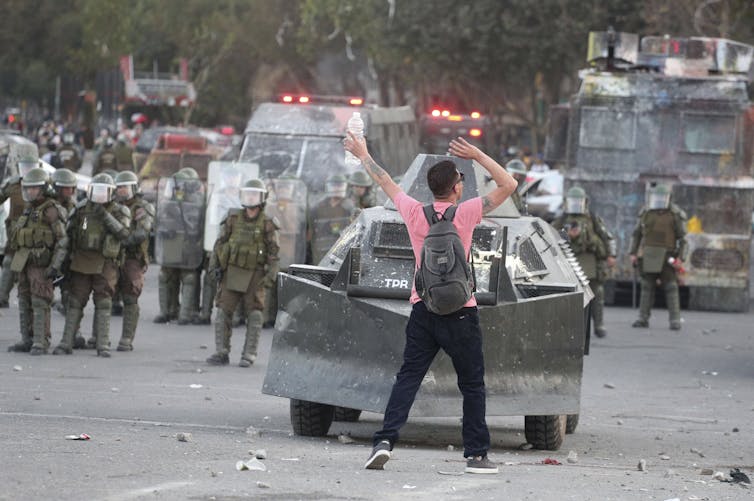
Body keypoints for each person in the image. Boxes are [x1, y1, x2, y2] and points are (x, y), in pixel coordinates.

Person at [344, 133, 517, 474]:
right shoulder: (466, 213)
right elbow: (509, 183)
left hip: (423, 307)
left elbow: (385, 180)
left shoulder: (413, 211)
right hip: (461, 311)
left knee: (408, 377)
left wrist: (363, 152)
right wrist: (478, 154)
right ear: (456, 188)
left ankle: (384, 441)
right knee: (471, 384)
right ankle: (477, 455)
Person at [53, 173, 131, 357]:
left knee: (104, 303)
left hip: (105, 263)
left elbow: (124, 234)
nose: (100, 196)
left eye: (104, 192)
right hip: (81, 261)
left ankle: (102, 344)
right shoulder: (81, 210)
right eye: (97, 191)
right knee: (74, 303)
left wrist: (104, 215)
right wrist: (60, 263)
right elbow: (69, 236)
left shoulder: (120, 211)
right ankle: (66, 342)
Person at [206, 179, 279, 367]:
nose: (251, 197)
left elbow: (274, 253)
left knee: (255, 314)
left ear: (262, 198)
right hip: (231, 272)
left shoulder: (268, 223)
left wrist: (270, 277)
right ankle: (221, 351)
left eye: (255, 194)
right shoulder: (232, 218)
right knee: (223, 311)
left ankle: (249, 354)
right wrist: (214, 267)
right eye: (248, 193)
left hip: (255, 274)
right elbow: (219, 244)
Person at [8, 168, 68, 355]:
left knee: (40, 301)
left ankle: (41, 340)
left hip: (41, 264)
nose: (30, 192)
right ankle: (27, 339)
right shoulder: (29, 210)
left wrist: (55, 266)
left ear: (44, 189)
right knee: (24, 300)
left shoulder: (51, 210)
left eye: (34, 188)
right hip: (24, 262)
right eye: (28, 188)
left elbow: (63, 241)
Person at [551, 186, 616, 337]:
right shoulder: (561, 220)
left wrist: (611, 255)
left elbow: (607, 237)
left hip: (589, 261)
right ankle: (574, 327)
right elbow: (549, 236)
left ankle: (599, 325)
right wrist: (566, 236)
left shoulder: (592, 219)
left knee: (597, 293)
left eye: (578, 202)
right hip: (568, 260)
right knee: (571, 296)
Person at [629, 184, 687, 330]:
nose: (660, 201)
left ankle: (675, 320)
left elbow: (683, 239)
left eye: (663, 198)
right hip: (648, 255)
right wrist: (633, 253)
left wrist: (681, 257)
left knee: (671, 287)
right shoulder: (646, 213)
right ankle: (643, 318)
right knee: (647, 287)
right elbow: (637, 234)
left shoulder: (675, 214)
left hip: (668, 256)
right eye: (657, 198)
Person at [153, 167, 205, 324]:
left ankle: (186, 313)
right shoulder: (169, 200)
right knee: (165, 275)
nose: (179, 188)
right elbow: (161, 219)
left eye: (182, 184)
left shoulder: (198, 201)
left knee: (189, 277)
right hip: (172, 241)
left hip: (190, 243)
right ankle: (167, 310)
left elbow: (199, 224)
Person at [113, 171, 155, 351]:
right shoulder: (112, 206)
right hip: (112, 256)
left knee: (130, 297)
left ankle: (126, 338)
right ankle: (98, 337)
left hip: (132, 257)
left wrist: (121, 241)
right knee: (104, 297)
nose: (122, 191)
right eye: (119, 187)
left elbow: (142, 232)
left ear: (134, 188)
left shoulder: (142, 208)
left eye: (125, 187)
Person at [0, 156, 38, 311]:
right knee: (10, 262)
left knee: (37, 266)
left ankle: (40, 296)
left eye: (31, 167)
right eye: (25, 167)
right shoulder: (14, 185)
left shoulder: (43, 184)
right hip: (15, 234)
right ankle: (2, 296)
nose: (28, 171)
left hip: (37, 233)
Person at [307, 174, 355, 264]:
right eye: (334, 185)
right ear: (328, 187)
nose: (336, 188)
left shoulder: (349, 207)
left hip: (341, 247)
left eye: (339, 185)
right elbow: (311, 230)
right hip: (321, 248)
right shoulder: (318, 207)